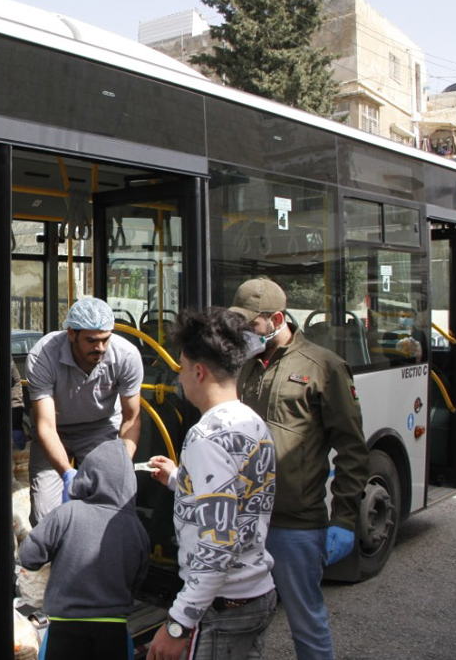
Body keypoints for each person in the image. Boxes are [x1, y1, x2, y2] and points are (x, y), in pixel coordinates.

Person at [229, 277, 368, 660]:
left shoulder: (324, 366)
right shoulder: (246, 365)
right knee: (237, 620)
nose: (243, 331)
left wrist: (344, 519)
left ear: (276, 318)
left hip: (295, 523)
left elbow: (353, 449)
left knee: (306, 621)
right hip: (243, 519)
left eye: (250, 324)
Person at [145, 307, 277, 660]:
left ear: (199, 371)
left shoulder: (207, 437)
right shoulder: (252, 422)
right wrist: (177, 479)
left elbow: (217, 546)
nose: (180, 379)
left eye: (182, 369)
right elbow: (238, 498)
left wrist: (178, 623)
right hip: (255, 593)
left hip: (223, 607)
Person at [19, 439, 150, 660]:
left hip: (65, 629)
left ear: (87, 475)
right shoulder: (137, 528)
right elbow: (138, 579)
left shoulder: (67, 513)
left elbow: (28, 556)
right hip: (115, 630)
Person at [25, 297, 143, 524]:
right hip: (54, 430)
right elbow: (46, 427)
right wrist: (68, 474)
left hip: (100, 427)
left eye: (105, 339)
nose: (99, 348)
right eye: (91, 341)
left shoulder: (126, 356)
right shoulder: (43, 355)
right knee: (44, 514)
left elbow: (132, 419)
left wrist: (118, 465)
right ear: (71, 334)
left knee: (110, 505)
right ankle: (53, 557)